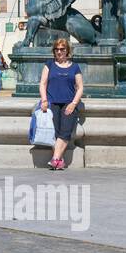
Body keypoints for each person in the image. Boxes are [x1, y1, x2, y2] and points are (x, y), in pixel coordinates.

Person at [38, 38, 83, 171]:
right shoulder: (49, 65)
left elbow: (80, 87)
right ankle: (59, 160)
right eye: (57, 49)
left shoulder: (75, 67)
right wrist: (44, 100)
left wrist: (74, 103)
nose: (59, 52)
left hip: (69, 104)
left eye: (62, 49)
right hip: (52, 103)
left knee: (65, 131)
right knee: (54, 132)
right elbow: (43, 84)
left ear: (67, 50)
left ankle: (55, 159)